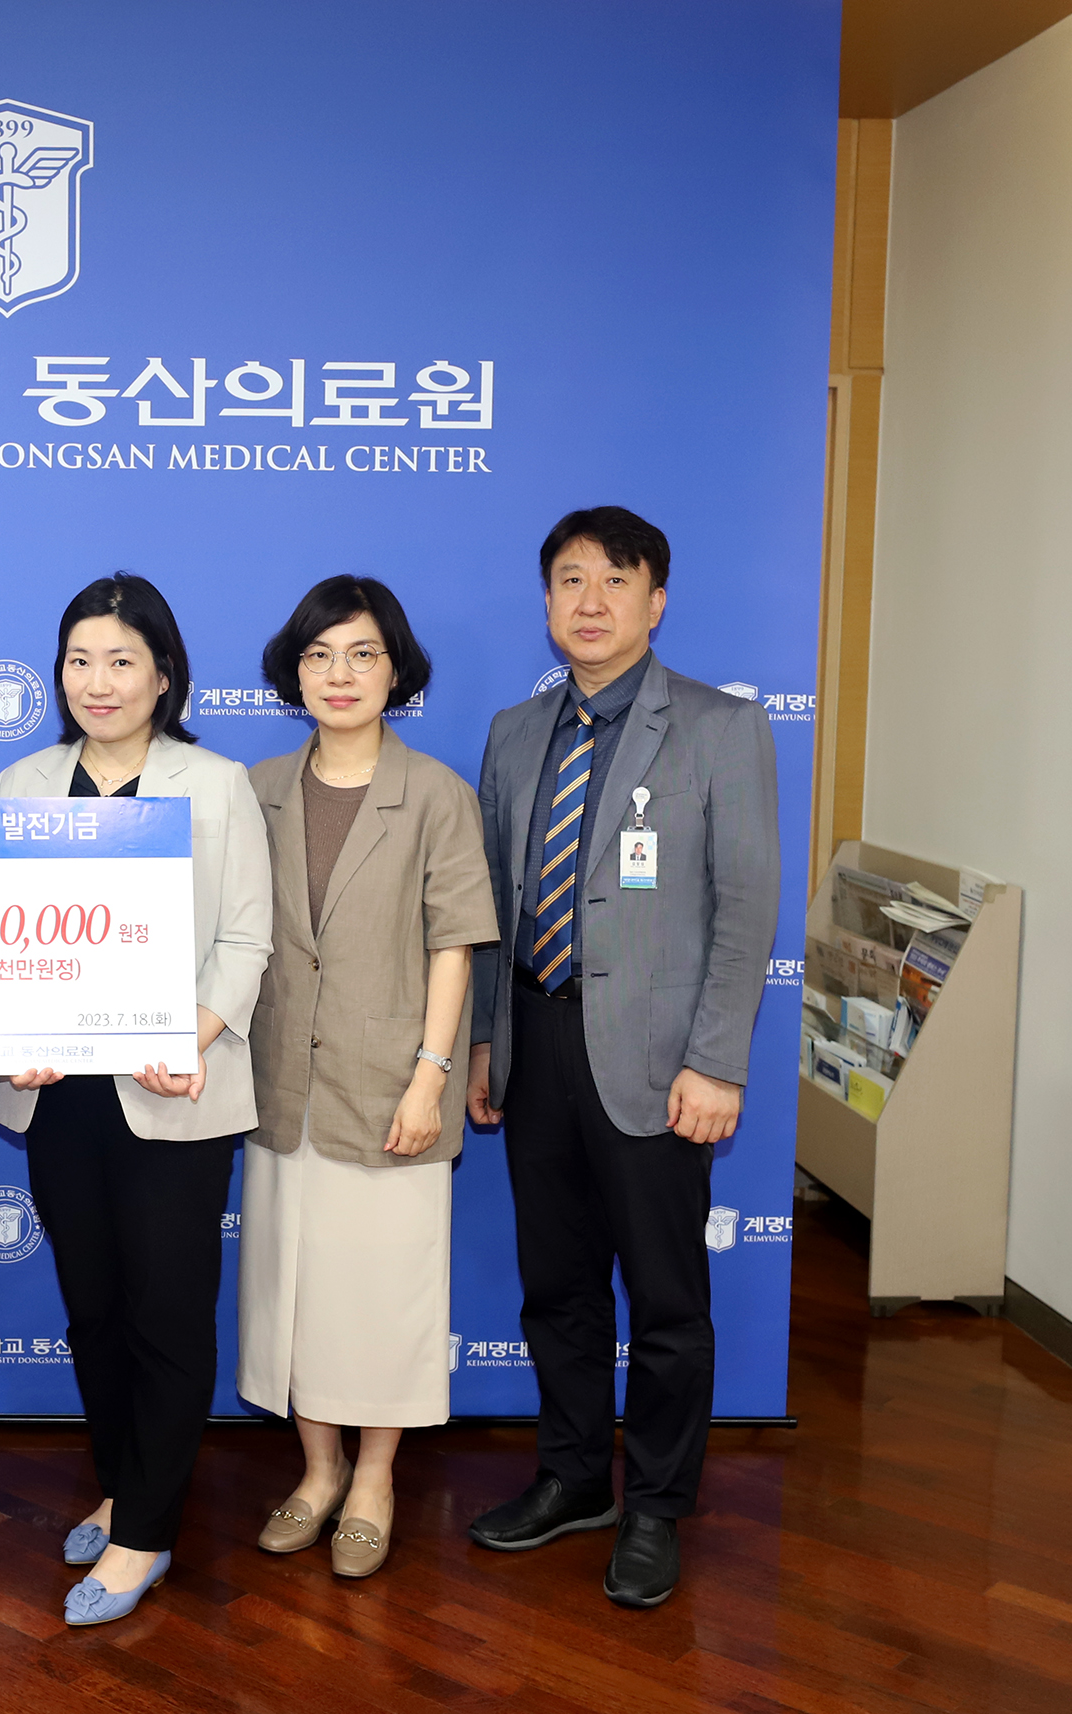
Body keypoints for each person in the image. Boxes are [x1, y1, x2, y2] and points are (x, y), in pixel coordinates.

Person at [464, 507, 779, 1608]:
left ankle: (655, 1506)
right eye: (568, 580)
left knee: (666, 1299)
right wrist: (486, 1043)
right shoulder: (514, 731)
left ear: (657, 599)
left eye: (614, 580)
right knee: (555, 1289)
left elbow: (744, 911)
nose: (588, 602)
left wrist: (718, 1061)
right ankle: (571, 1478)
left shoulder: (718, 728)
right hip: (538, 1039)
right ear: (545, 602)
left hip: (656, 1060)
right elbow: (493, 906)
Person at [0, 573, 273, 1627]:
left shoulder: (215, 782)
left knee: (165, 1313)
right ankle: (122, 1484)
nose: (97, 681)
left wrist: (180, 1031)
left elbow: (248, 938)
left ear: (164, 674)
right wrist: (3, 1036)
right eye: (79, 659)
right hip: (60, 1100)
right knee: (96, 1310)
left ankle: (146, 1532)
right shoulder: (23, 783)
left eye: (120, 661)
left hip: (173, 1096)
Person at [236, 575, 498, 1579]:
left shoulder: (436, 794)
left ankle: (377, 1477)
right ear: (292, 671)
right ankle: (316, 1469)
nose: (338, 675)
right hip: (277, 1084)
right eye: (318, 655)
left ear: (398, 669)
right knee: (294, 1290)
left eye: (361, 654)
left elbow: (455, 946)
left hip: (389, 1082)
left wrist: (432, 1076)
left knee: (382, 1291)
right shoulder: (254, 788)